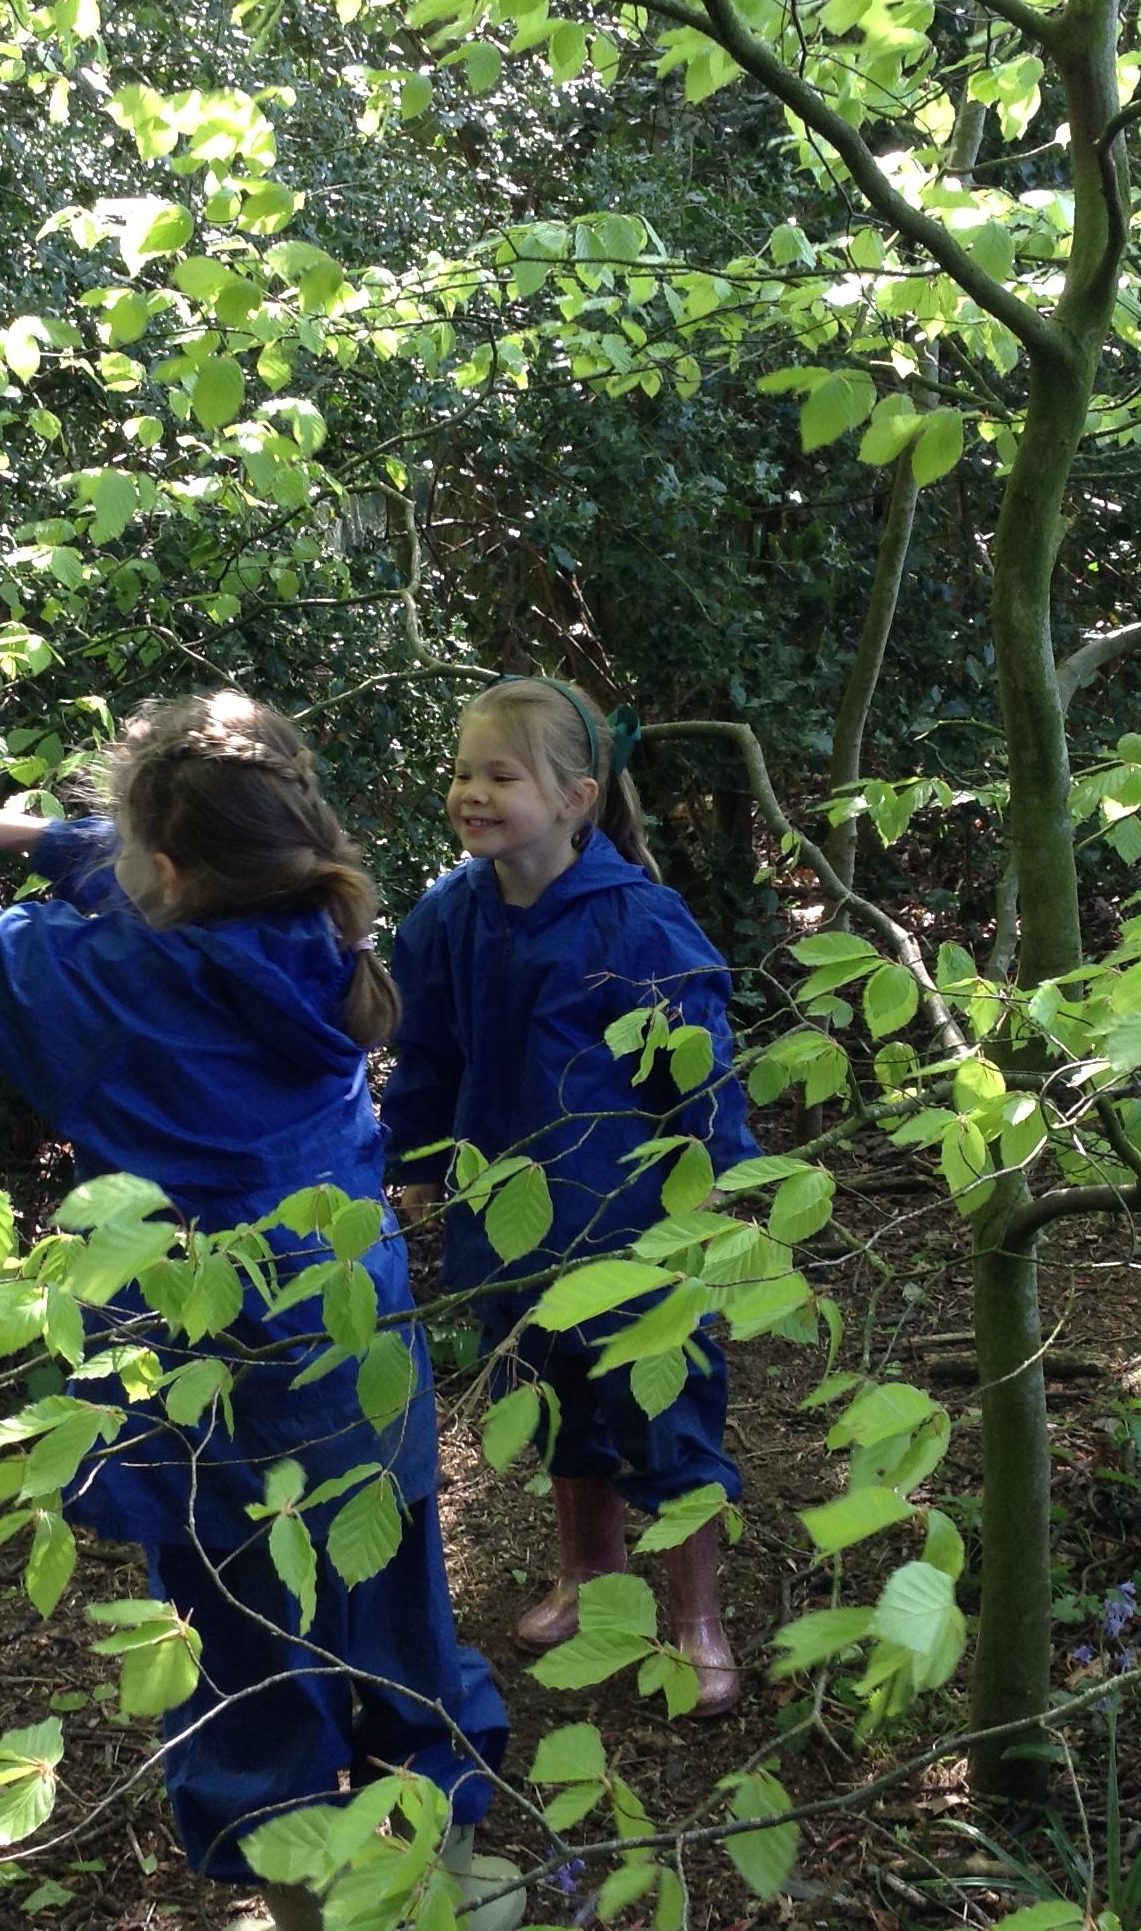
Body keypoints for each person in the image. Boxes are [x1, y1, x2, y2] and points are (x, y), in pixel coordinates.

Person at [0, 691, 513, 1931]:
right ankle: (449, 1865)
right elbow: (185, 884)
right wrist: (40, 839)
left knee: (243, 1644)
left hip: (205, 1382)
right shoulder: (311, 926)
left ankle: (310, 1907)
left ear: (166, 867)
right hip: (355, 1344)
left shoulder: (106, 990)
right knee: (395, 1605)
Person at [381, 676, 759, 1719]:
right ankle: (590, 1573)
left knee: (666, 1412)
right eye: (464, 771)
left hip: (631, 1231)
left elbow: (700, 1069)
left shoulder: (638, 922)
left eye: (502, 775)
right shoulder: (448, 917)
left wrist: (719, 1189)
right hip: (508, 1232)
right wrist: (416, 1164)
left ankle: (695, 1617)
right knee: (554, 1405)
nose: (473, 792)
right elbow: (426, 1054)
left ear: (576, 797)